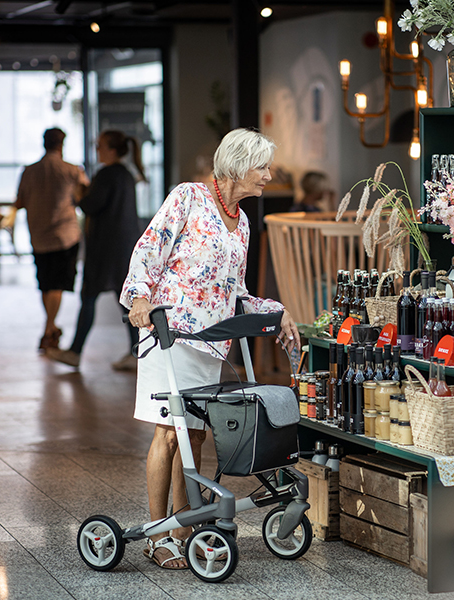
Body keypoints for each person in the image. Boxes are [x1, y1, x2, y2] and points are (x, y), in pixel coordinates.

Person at [120, 128, 300, 570]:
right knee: (168, 433)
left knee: (194, 435)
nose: (269, 176)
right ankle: (158, 534)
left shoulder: (242, 223)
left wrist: (278, 312)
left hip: (210, 344)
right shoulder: (188, 198)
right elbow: (148, 251)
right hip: (168, 335)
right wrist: (139, 297)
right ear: (238, 166)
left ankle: (187, 528)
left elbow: (234, 292)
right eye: (262, 167)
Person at [46, 130, 145, 371]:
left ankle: (75, 352)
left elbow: (90, 205)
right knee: (125, 302)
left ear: (111, 149)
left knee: (89, 297)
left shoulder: (107, 174)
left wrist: (79, 192)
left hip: (105, 249)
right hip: (124, 248)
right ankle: (136, 352)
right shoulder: (126, 174)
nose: (97, 149)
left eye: (100, 145)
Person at [14, 128, 90, 352]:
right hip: (65, 236)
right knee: (58, 284)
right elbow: (83, 198)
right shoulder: (72, 170)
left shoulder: (29, 171)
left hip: (38, 235)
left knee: (45, 284)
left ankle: (50, 328)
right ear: (61, 144)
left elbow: (19, 202)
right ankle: (48, 331)